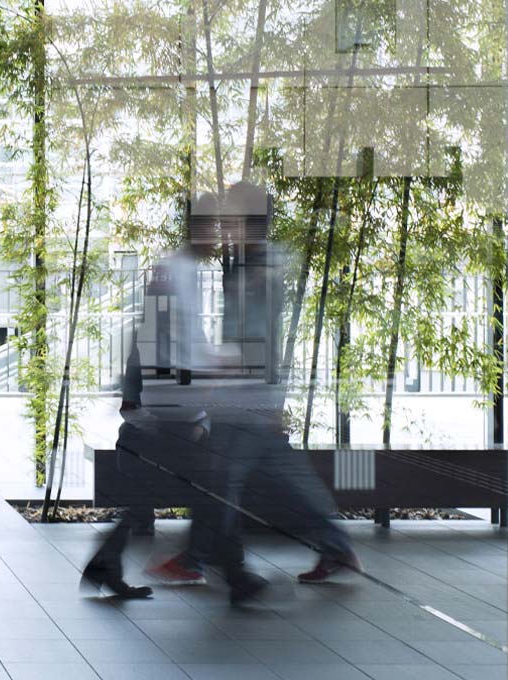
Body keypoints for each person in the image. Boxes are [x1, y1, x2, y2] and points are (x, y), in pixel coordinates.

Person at [83, 183, 359, 605]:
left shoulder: (195, 273)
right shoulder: (171, 272)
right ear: (197, 229)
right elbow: (155, 335)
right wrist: (151, 395)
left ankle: (216, 571)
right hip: (170, 406)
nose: (221, 235)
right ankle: (232, 574)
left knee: (209, 486)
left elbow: (186, 339)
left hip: (183, 403)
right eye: (214, 226)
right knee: (211, 486)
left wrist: (212, 374)